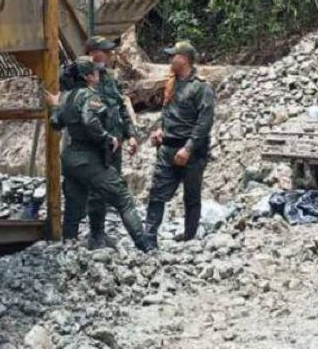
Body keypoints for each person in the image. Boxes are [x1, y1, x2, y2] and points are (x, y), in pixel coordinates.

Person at [44, 58, 153, 251]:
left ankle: (68, 247)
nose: (98, 75)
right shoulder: (89, 96)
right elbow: (89, 119)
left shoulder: (67, 97)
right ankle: (147, 247)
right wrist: (106, 138)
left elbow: (55, 123)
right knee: (123, 200)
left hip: (70, 158)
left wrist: (54, 105)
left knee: (73, 207)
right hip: (89, 159)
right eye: (95, 72)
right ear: (88, 77)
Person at [144, 40, 216, 243]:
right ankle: (149, 238)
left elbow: (204, 123)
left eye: (173, 55)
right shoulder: (171, 82)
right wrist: (159, 129)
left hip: (191, 152)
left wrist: (188, 148)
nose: (169, 59)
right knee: (157, 192)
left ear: (184, 59)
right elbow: (167, 112)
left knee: (191, 197)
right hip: (167, 148)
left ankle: (189, 237)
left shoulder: (201, 88)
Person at [84, 34, 138, 250]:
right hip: (96, 144)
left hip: (115, 144)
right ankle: (95, 236)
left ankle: (100, 233)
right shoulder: (84, 77)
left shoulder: (110, 77)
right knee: (97, 190)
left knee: (108, 190)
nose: (108, 54)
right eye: (103, 51)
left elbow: (121, 107)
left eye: (108, 51)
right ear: (92, 53)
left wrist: (131, 134)